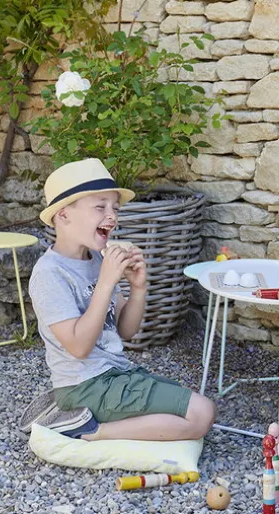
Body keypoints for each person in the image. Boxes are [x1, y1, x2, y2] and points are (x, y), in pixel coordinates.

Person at [19, 158, 215, 441]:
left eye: (115, 208)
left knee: (189, 405)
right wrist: (106, 282)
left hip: (116, 375)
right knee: (202, 413)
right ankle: (86, 431)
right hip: (85, 386)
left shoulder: (97, 260)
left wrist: (138, 287)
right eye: (100, 207)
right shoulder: (50, 274)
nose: (112, 216)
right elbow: (79, 348)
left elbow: (125, 330)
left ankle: (85, 421)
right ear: (63, 215)